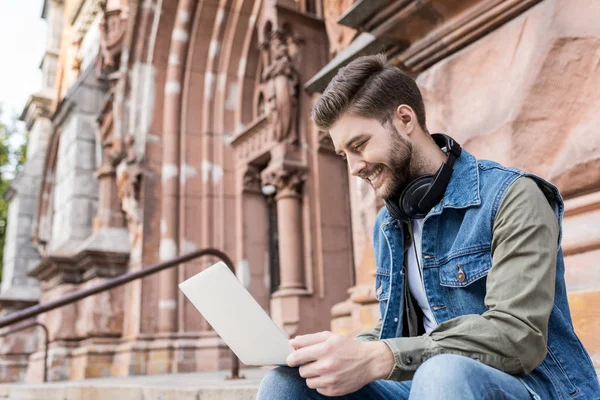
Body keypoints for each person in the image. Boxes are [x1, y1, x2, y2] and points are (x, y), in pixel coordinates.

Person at [256, 54, 600, 399]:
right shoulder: (388, 225)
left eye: (359, 146)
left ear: (405, 119)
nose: (354, 168)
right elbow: (397, 330)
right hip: (424, 385)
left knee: (442, 374)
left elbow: (517, 334)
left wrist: (379, 357)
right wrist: (337, 353)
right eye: (345, 155)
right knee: (286, 384)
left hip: (534, 387)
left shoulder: (513, 197)